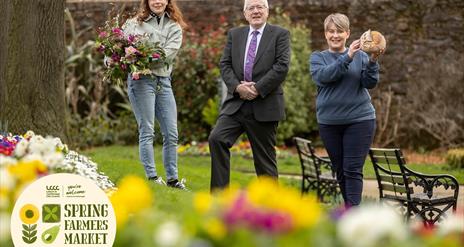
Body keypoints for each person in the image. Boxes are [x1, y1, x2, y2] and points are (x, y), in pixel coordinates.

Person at [208, 0, 291, 191]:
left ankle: (270, 207)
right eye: (251, 8)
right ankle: (220, 198)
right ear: (245, 13)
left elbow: (281, 67)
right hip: (236, 103)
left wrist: (256, 89)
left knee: (264, 161)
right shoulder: (235, 34)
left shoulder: (280, 34)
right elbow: (225, 65)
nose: (255, 11)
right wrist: (238, 87)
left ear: (267, 11)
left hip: (265, 103)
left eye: (259, 7)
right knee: (217, 138)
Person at [309, 13, 383, 206]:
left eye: (340, 31)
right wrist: (348, 56)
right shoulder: (318, 58)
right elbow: (325, 77)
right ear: (325, 34)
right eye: (331, 31)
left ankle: (352, 215)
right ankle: (350, 211)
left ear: (347, 33)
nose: (335, 35)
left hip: (360, 120)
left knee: (352, 169)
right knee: (340, 170)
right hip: (329, 123)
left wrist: (373, 61)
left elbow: (369, 83)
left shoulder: (361, 56)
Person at [122, 0, 188, 189]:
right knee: (147, 130)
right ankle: (152, 178)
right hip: (141, 81)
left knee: (171, 133)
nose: (157, 1)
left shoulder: (174, 26)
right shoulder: (133, 23)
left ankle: (173, 180)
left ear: (168, 2)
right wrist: (115, 59)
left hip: (163, 82)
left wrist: (139, 55)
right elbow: (118, 50)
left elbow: (166, 55)